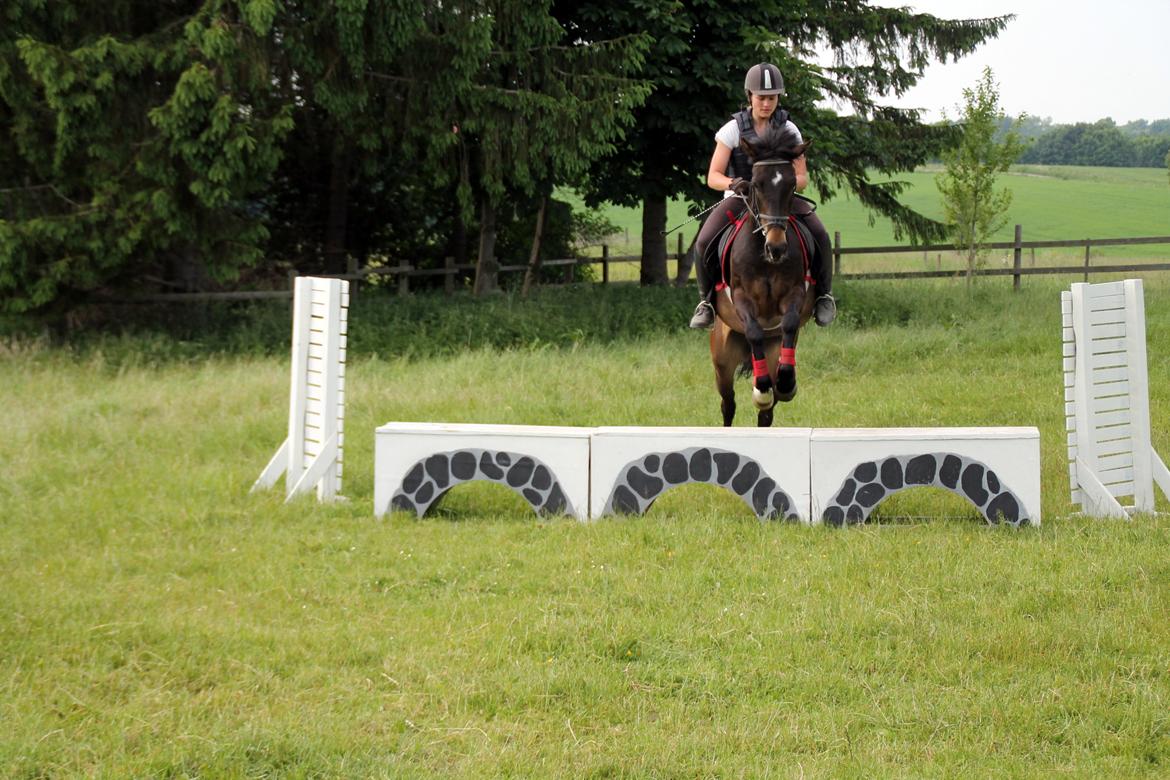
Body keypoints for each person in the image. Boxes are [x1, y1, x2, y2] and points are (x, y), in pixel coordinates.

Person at [689, 62, 836, 330]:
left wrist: (781, 186)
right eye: (761, 98)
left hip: (779, 200)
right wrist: (735, 183)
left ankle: (824, 296)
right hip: (741, 198)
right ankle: (706, 302)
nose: (766, 104)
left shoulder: (789, 129)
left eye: (772, 98)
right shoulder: (732, 129)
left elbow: (802, 178)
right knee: (703, 241)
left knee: (821, 234)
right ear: (750, 96)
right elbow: (713, 176)